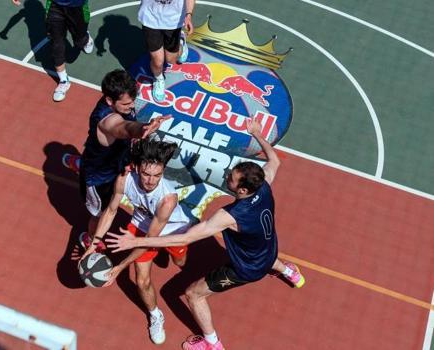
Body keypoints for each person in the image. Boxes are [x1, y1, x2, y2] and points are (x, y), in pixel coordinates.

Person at [106, 119, 305, 350]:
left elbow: (185, 238)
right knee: (263, 252)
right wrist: (257, 134)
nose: (228, 175)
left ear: (242, 190)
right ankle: (288, 271)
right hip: (267, 248)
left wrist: (136, 241)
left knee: (193, 294)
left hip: (247, 268)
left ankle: (212, 343)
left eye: (232, 177)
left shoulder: (230, 216)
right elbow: (275, 161)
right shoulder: (263, 184)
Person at [80, 138, 190, 344]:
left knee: (180, 263)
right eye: (146, 174)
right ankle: (155, 314)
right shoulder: (124, 178)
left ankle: (177, 255)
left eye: (157, 175)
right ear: (137, 167)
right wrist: (93, 245)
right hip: (141, 224)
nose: (150, 181)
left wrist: (120, 266)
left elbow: (150, 240)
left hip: (173, 232)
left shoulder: (167, 199)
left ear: (163, 171)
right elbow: (111, 210)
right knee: (142, 280)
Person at [64, 69, 171, 249]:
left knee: (97, 149)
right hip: (100, 177)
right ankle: (90, 238)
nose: (131, 106)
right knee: (101, 213)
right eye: (126, 104)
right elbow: (125, 128)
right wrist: (143, 128)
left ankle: (80, 161)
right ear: (109, 101)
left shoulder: (119, 101)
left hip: (110, 157)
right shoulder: (108, 121)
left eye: (132, 102)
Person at [12, 0, 94, 101]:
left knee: (80, 41)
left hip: (77, 6)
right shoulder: (26, 11)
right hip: (55, 6)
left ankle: (85, 38)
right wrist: (5, 30)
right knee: (56, 43)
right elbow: (18, 16)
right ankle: (64, 80)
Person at [138, 0, 196, 102]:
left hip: (174, 20)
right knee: (158, 61)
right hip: (150, 19)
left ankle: (181, 42)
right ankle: (159, 79)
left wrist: (188, 15)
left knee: (171, 60)